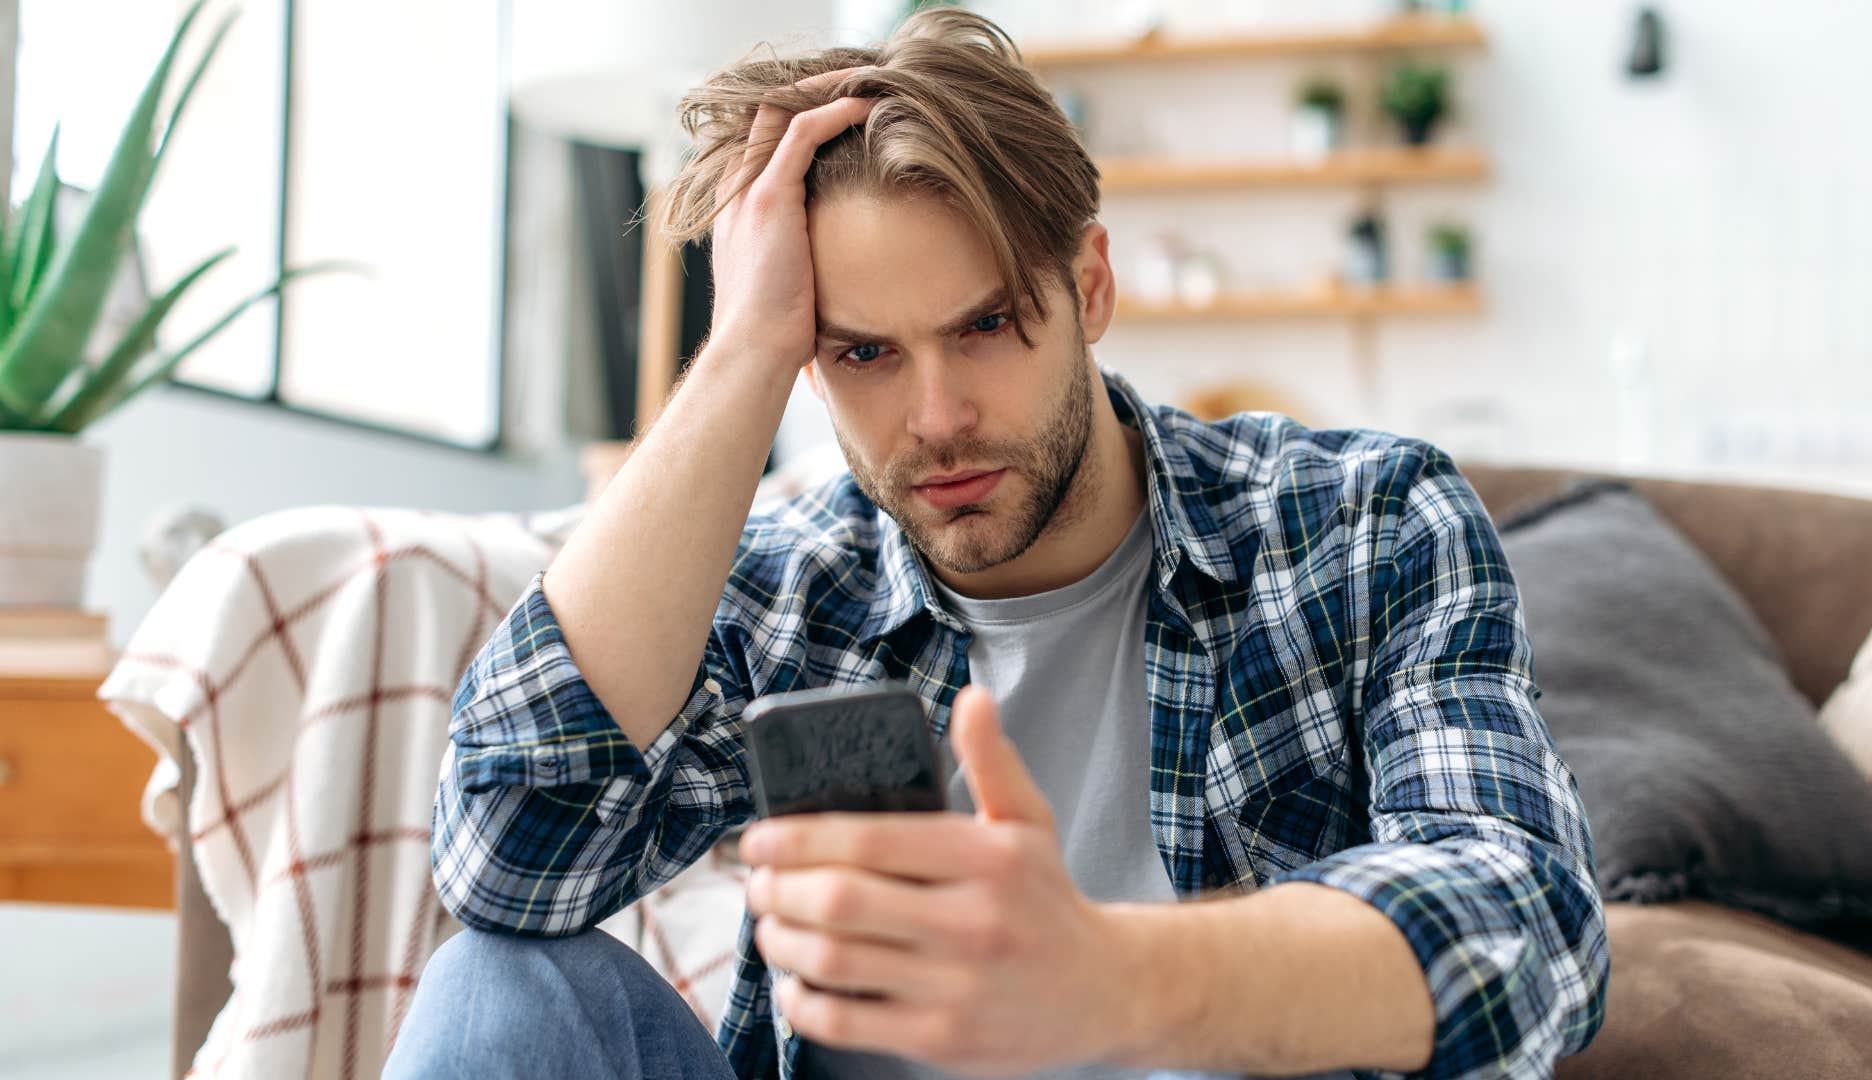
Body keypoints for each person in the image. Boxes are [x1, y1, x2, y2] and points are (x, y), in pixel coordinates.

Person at [387, 9, 1608, 1079]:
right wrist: (747, 352)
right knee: (499, 989)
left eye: (985, 327)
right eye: (863, 352)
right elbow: (506, 861)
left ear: (1089, 289)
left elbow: (1529, 928)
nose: (935, 420)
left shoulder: (1363, 525)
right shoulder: (792, 583)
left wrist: (1108, 978)